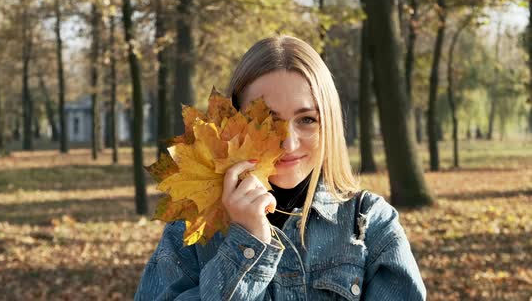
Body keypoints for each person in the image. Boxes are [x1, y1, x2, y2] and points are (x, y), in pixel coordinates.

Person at [134, 35, 427, 300]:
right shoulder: (192, 231)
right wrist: (245, 243)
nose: (288, 144)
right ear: (234, 124)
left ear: (329, 123)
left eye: (307, 119)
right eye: (267, 121)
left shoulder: (370, 224)